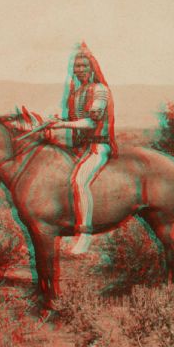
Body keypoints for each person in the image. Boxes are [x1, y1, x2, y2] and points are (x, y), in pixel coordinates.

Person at [52, 42, 117, 255]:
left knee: (80, 181)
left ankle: (85, 234)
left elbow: (90, 123)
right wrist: (55, 122)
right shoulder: (77, 93)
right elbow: (75, 121)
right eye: (77, 66)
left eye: (84, 66)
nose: (80, 69)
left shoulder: (100, 90)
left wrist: (63, 124)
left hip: (99, 146)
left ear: (92, 68)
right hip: (80, 147)